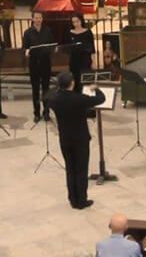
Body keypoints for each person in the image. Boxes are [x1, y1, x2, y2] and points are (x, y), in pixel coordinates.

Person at [48, 71, 105, 210]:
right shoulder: (78, 99)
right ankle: (81, 200)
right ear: (72, 83)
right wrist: (96, 88)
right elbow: (101, 99)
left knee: (70, 169)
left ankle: (72, 199)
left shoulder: (54, 100)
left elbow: (52, 96)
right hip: (80, 139)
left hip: (65, 139)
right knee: (81, 169)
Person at [23, 11, 55, 123]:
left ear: (42, 18)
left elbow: (52, 44)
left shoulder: (47, 31)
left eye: (40, 17)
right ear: (32, 19)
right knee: (35, 89)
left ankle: (46, 112)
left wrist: (53, 48)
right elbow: (25, 47)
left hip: (45, 63)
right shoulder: (27, 32)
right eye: (36, 18)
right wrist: (27, 51)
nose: (38, 20)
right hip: (34, 63)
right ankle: (36, 113)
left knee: (46, 89)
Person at [65, 14, 95, 93]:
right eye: (73, 22)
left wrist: (93, 61)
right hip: (74, 60)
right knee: (75, 81)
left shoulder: (88, 32)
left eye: (77, 21)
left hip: (85, 60)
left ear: (81, 21)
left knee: (86, 81)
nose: (76, 24)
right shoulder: (69, 33)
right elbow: (66, 47)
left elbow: (92, 48)